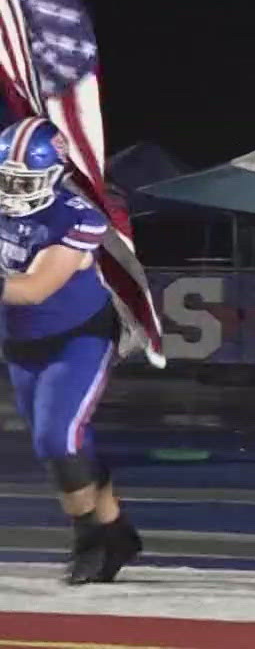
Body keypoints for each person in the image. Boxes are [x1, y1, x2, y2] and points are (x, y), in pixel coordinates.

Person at [0, 116, 141, 584]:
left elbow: (35, 288)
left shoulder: (77, 214)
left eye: (22, 179)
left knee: (57, 440)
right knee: (65, 444)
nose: (11, 189)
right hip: (21, 344)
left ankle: (91, 541)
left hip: (77, 338)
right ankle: (115, 528)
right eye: (4, 177)